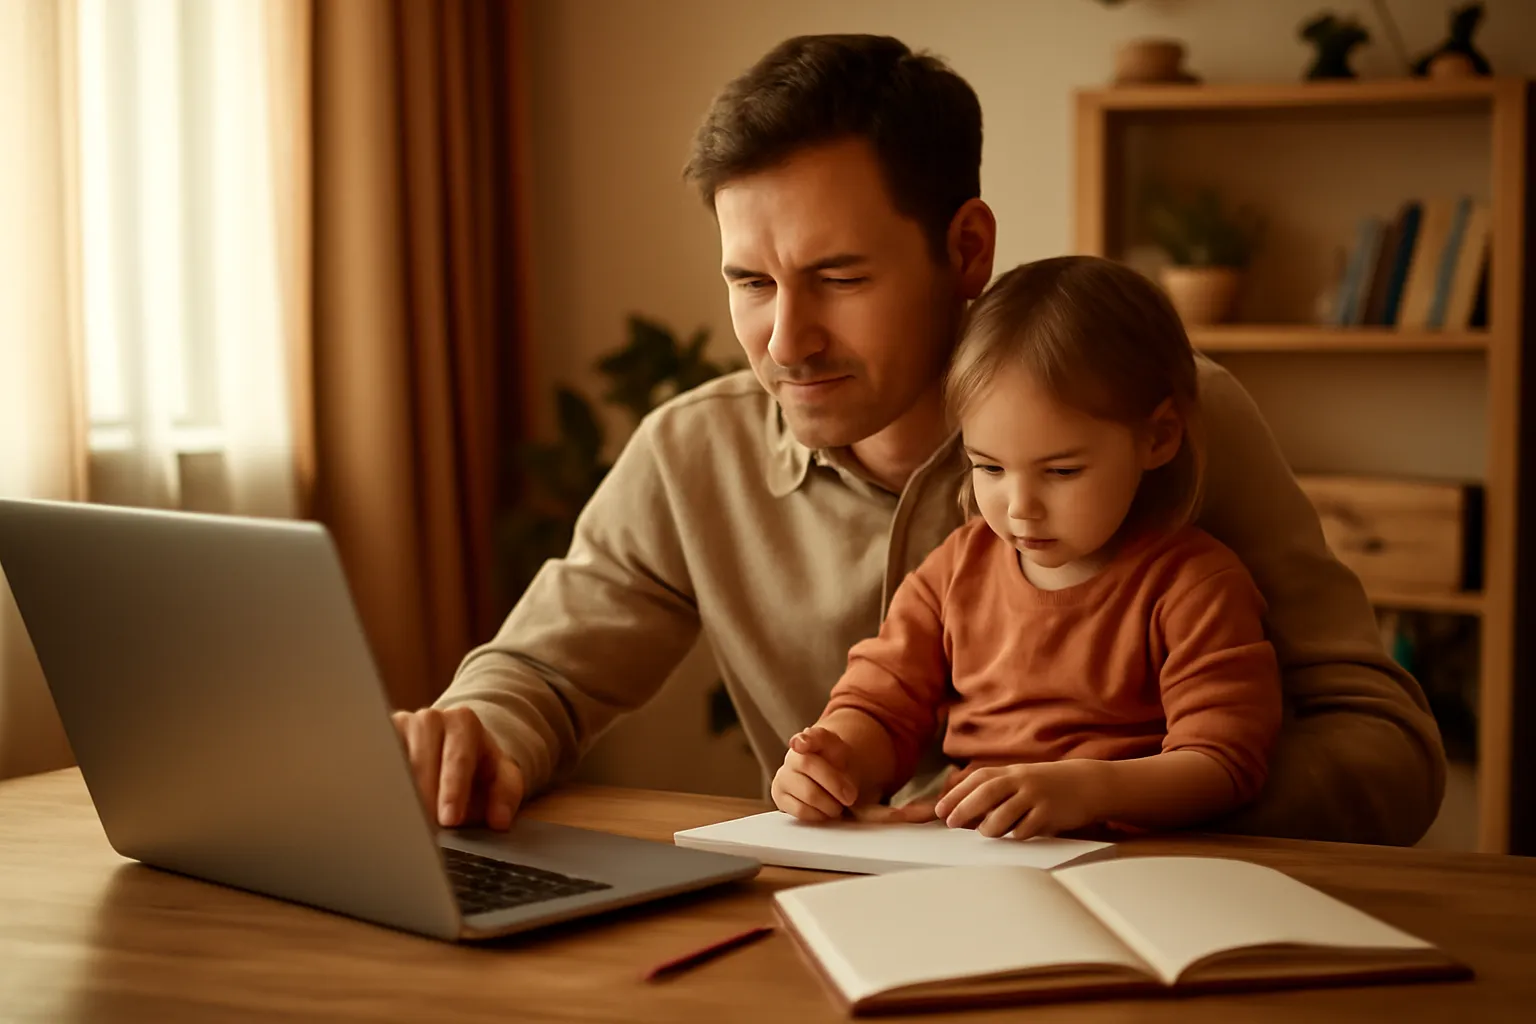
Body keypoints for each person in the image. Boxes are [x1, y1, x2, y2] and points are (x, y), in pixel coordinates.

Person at [391, 33, 1444, 845]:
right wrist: (475, 737)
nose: (785, 341)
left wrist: (1120, 803)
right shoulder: (689, 454)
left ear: (967, 250)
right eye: (750, 283)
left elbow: (1386, 752)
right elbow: (541, 679)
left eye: (839, 277)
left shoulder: (1162, 414)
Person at [772, 256, 1283, 838]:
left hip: (1128, 866)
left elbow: (1224, 763)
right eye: (989, 468)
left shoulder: (1194, 585)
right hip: (971, 858)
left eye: (1061, 471)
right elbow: (880, 708)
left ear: (1158, 437)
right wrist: (835, 761)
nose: (1020, 507)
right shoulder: (955, 570)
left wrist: (1087, 790)